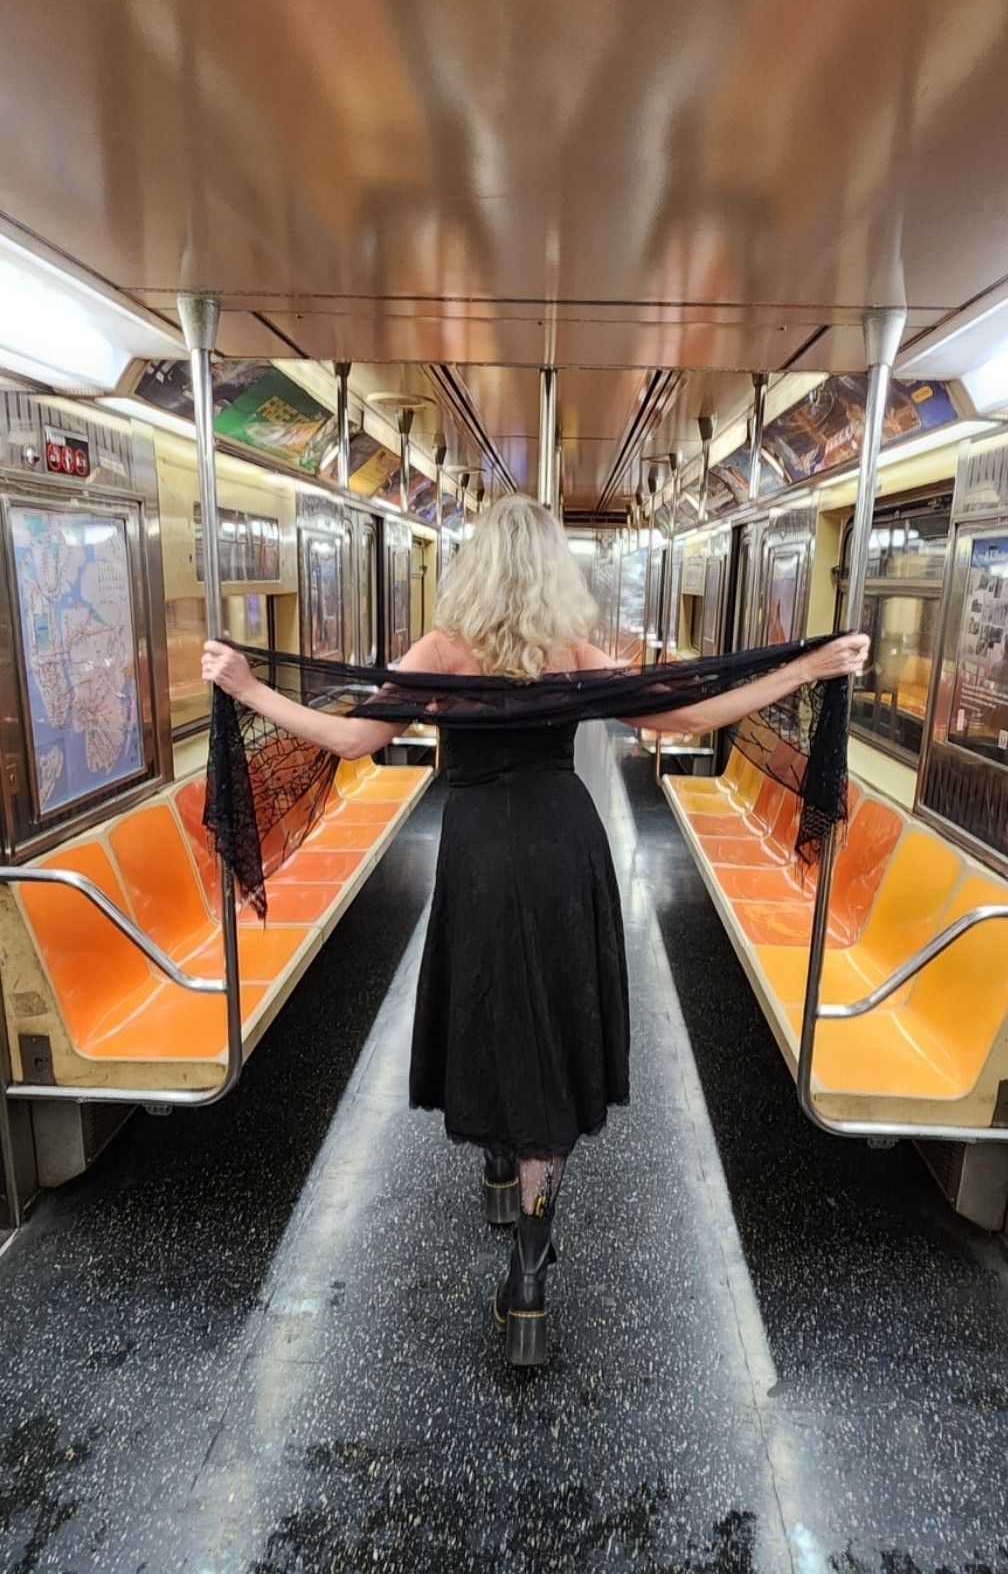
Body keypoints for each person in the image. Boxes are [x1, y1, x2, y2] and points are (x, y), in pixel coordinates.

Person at [202, 495, 868, 1368]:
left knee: (492, 1002)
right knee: (550, 1017)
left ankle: (496, 1156)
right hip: (564, 847)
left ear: (473, 567)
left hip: (480, 851)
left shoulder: (442, 651)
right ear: (556, 570)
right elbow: (689, 716)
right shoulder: (571, 652)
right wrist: (807, 667)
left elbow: (351, 739)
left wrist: (248, 689)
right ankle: (528, 1268)